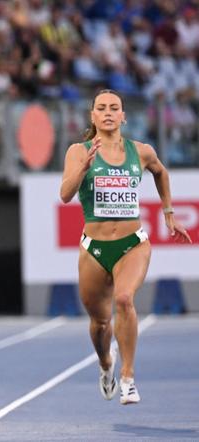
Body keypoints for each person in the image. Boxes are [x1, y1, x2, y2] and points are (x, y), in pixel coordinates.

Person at [60, 89, 191, 405]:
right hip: (94, 248)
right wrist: (83, 168)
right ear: (93, 116)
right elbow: (65, 194)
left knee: (124, 299)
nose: (107, 112)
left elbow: (160, 171)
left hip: (132, 244)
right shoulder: (78, 151)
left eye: (114, 108)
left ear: (123, 116)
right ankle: (107, 363)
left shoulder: (141, 151)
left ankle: (128, 377)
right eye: (101, 108)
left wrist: (169, 212)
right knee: (100, 323)